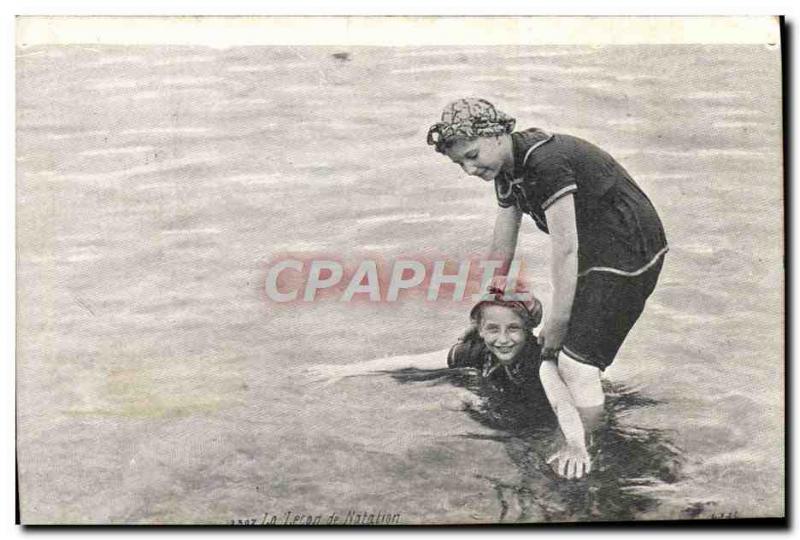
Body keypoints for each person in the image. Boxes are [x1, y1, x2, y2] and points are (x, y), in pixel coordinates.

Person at [426, 97, 667, 438]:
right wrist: (485, 308)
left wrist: (558, 320)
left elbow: (565, 248)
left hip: (629, 249)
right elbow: (502, 244)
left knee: (574, 362)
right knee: (573, 354)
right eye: (459, 164)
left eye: (473, 156)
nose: (469, 170)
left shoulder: (544, 162)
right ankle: (591, 417)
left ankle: (593, 452)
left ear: (496, 135)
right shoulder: (506, 169)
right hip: (596, 252)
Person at [307, 277, 595, 479]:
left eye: (514, 329)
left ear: (529, 329)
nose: (503, 339)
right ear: (480, 329)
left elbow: (563, 405)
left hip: (539, 420)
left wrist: (575, 444)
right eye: (493, 329)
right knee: (419, 383)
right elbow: (414, 361)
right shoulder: (476, 350)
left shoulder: (540, 362)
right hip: (507, 404)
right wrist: (348, 370)